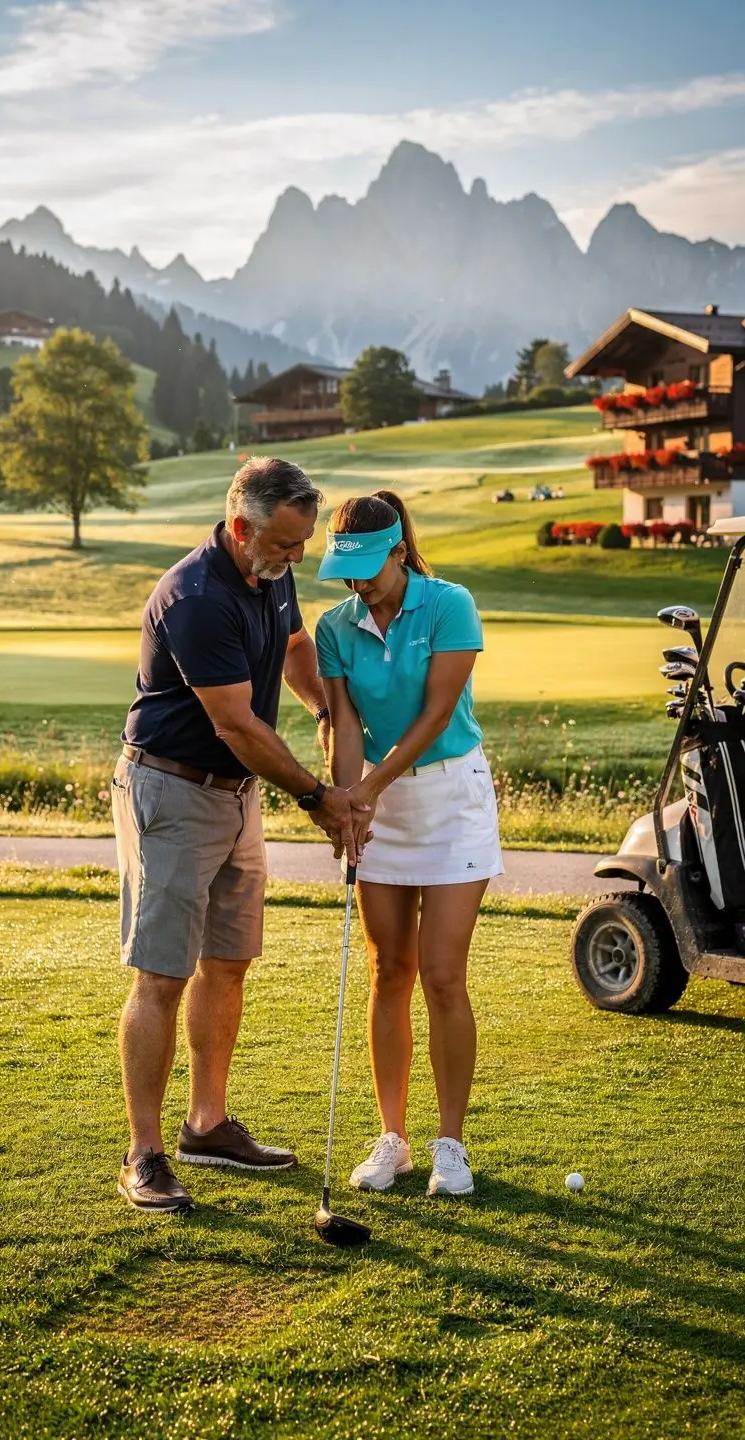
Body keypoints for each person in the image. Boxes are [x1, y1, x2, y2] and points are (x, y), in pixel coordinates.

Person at [114, 456, 368, 1213]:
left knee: (229, 964)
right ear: (239, 527)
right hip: (171, 790)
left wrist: (325, 709)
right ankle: (144, 1153)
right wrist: (318, 797)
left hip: (235, 796)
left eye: (301, 546)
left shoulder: (271, 572)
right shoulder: (195, 597)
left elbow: (292, 645)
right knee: (163, 974)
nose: (295, 561)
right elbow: (236, 724)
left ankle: (207, 1123)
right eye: (285, 546)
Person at [315, 490, 503, 1198]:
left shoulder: (449, 603)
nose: (358, 582)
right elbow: (342, 726)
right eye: (347, 570)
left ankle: (450, 1145)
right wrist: (343, 807)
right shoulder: (335, 625)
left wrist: (370, 787)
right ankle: (391, 1140)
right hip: (375, 804)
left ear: (399, 550)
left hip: (451, 797)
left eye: (369, 566)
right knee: (387, 969)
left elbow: (436, 713)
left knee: (442, 974)